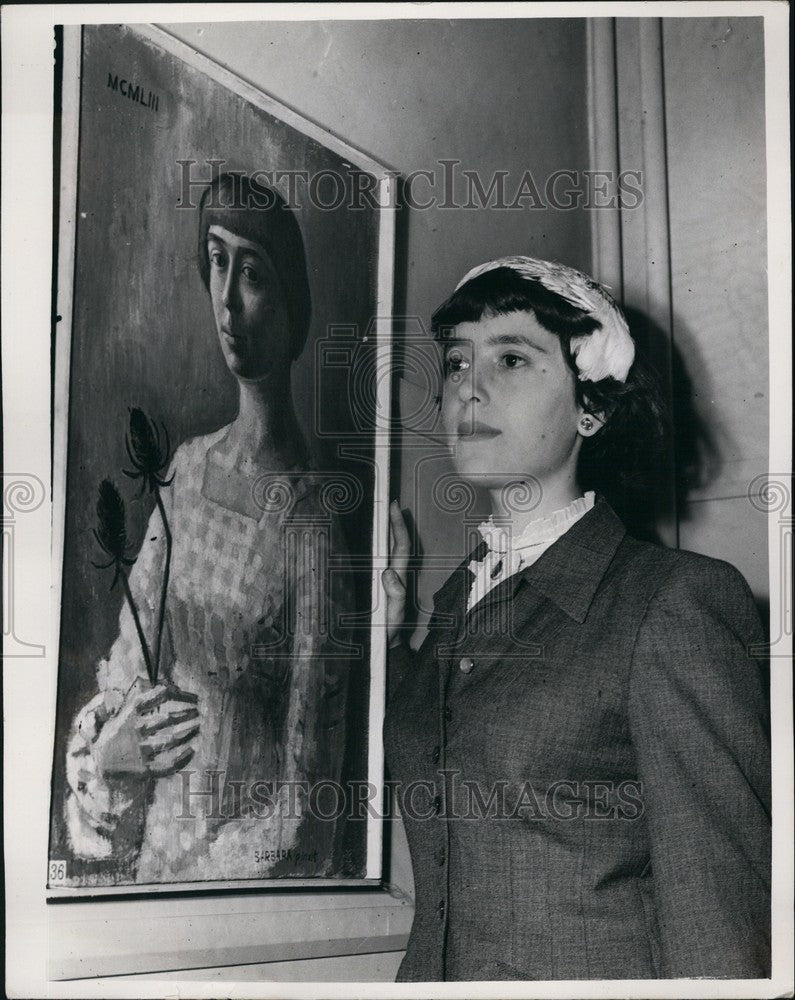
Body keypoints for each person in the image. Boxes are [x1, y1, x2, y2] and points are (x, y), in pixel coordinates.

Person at [382, 256, 770, 981]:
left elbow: (719, 916)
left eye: (511, 359)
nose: (469, 384)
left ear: (590, 408)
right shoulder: (451, 611)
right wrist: (384, 641)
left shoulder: (669, 603)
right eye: (458, 361)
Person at [64, 173, 353, 883]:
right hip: (143, 853)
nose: (226, 300)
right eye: (216, 262)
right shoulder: (186, 472)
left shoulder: (311, 524)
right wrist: (110, 755)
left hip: (233, 881)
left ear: (291, 306)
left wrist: (206, 870)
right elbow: (132, 664)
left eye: (251, 273)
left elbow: (306, 791)